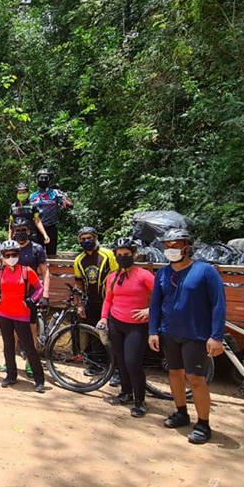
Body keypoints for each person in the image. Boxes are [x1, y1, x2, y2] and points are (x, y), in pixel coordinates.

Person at [149, 228, 226, 444]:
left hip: (196, 334)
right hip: (169, 333)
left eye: (175, 245)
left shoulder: (205, 271)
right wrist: (153, 331)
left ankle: (203, 423)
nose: (171, 249)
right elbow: (155, 304)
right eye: (167, 245)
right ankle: (181, 412)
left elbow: (219, 304)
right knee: (174, 374)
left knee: (196, 379)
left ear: (187, 246)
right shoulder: (163, 274)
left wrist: (216, 336)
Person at [97, 238, 155, 418]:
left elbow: (163, 296)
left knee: (132, 362)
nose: (123, 258)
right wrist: (104, 318)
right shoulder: (113, 276)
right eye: (120, 255)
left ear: (133, 255)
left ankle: (140, 401)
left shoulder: (143, 274)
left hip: (136, 326)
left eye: (127, 255)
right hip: (116, 323)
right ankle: (125, 393)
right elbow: (108, 299)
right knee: (120, 361)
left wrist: (149, 310)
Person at [0, 240, 46, 392]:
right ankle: (11, 375)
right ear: (3, 256)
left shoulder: (27, 271)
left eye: (13, 254)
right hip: (3, 313)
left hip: (21, 314)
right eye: (7, 255)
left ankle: (39, 379)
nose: (10, 257)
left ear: (19, 255)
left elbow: (39, 288)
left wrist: (33, 299)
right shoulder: (0, 272)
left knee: (28, 347)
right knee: (8, 346)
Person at [4, 216, 51, 378]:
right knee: (12, 331)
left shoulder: (37, 249)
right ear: (13, 232)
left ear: (29, 231)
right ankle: (9, 360)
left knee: (31, 330)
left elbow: (45, 273)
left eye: (24, 230)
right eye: (17, 231)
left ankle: (31, 362)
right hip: (12, 296)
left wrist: (44, 294)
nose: (21, 233)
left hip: (31, 296)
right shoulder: (10, 249)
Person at [73, 226, 118, 372]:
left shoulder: (108, 255)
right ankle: (97, 364)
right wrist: (79, 304)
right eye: (83, 239)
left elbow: (117, 277)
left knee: (113, 335)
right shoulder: (79, 260)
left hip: (110, 301)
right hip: (91, 302)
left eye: (89, 238)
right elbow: (78, 282)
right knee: (94, 333)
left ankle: (116, 369)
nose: (86, 241)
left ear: (95, 237)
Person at [29, 168, 72, 258]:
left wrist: (66, 203)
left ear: (50, 180)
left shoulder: (56, 193)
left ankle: (53, 270)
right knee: (36, 253)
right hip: (36, 228)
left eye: (46, 178)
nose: (43, 180)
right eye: (41, 178)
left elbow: (67, 202)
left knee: (51, 253)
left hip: (51, 226)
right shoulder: (32, 196)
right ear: (37, 179)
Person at [9, 182, 50, 246]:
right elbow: (11, 223)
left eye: (23, 192)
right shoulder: (13, 206)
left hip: (30, 235)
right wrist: (9, 238)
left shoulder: (33, 205)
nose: (22, 194)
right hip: (16, 236)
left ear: (27, 193)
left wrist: (45, 234)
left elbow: (38, 221)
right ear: (16, 194)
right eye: (19, 193)